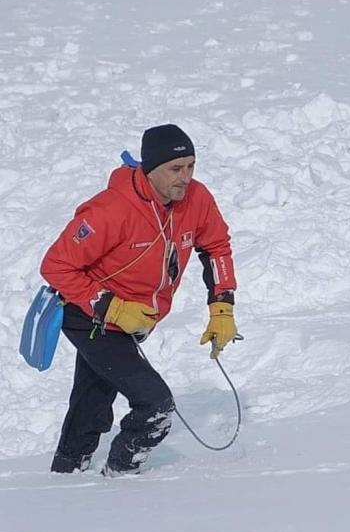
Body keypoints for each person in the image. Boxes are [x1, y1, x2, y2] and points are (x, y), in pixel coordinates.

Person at [41, 124, 238, 476]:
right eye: (175, 169)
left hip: (135, 318)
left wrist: (222, 307)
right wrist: (112, 307)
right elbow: (56, 265)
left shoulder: (197, 199)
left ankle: (67, 474)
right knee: (155, 404)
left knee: (93, 399)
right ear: (150, 170)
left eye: (191, 166)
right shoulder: (111, 210)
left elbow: (216, 247)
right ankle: (122, 475)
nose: (185, 177)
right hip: (90, 314)